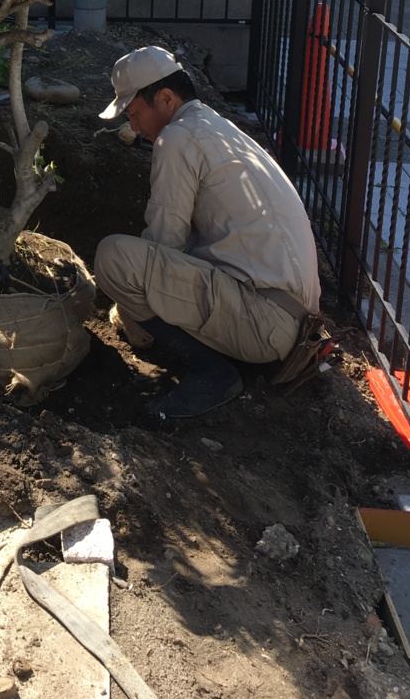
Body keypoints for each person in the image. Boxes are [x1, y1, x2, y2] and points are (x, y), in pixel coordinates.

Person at [95, 46, 321, 422]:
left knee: (114, 259)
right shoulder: (218, 127)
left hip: (265, 324)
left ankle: (213, 373)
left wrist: (132, 313)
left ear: (165, 98)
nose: (133, 127)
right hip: (294, 316)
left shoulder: (177, 139)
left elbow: (164, 243)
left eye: (135, 113)